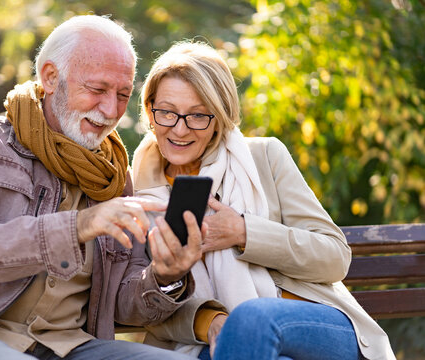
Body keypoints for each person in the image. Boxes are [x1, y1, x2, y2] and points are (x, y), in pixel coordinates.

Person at [0, 16, 203, 360]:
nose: (111, 110)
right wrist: (76, 226)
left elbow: (123, 308)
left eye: (123, 94)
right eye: (97, 90)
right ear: (51, 77)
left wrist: (165, 276)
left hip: (69, 346)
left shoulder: (115, 177)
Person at [131, 41, 396, 360]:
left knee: (251, 318)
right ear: (149, 110)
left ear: (220, 116)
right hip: (211, 345)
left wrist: (244, 232)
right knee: (245, 337)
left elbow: (335, 257)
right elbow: (144, 300)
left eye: (198, 116)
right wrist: (211, 322)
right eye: (167, 113)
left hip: (314, 327)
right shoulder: (137, 193)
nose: (180, 129)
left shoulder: (264, 157)